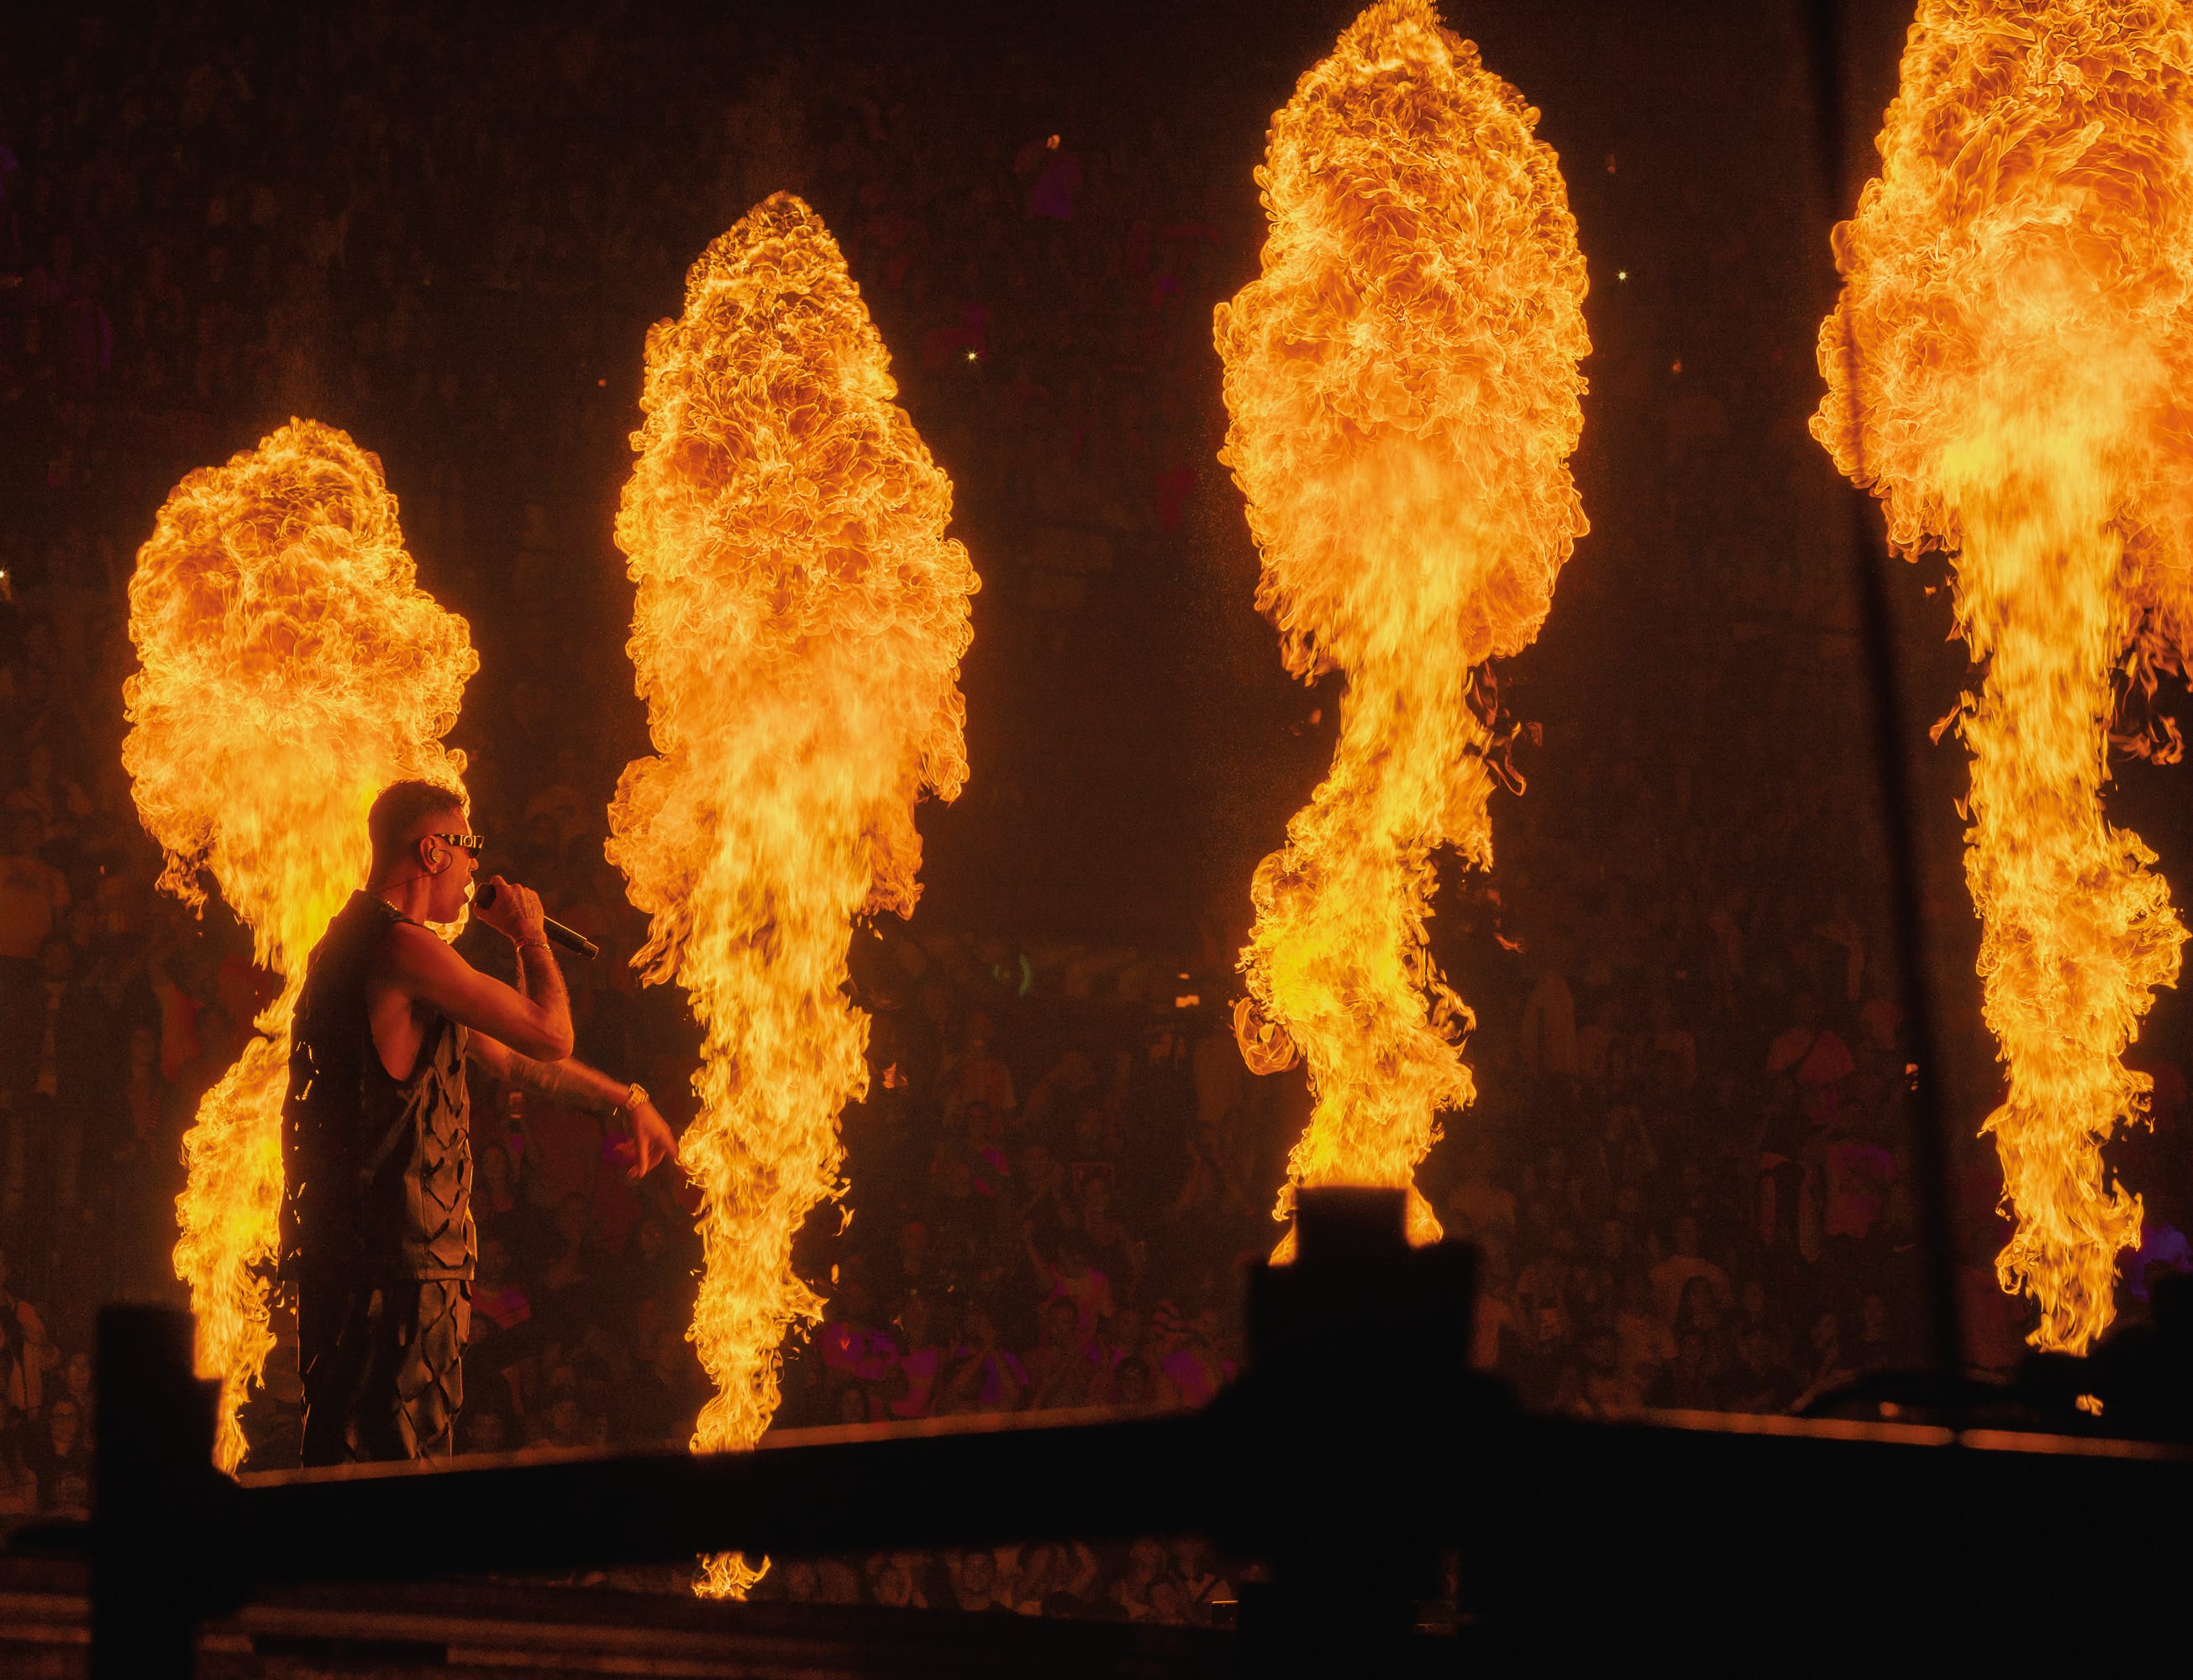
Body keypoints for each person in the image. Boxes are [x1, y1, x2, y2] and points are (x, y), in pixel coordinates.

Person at [281, 780, 677, 1466]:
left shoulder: (361, 943)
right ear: (432, 851)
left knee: (356, 1460)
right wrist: (529, 937)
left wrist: (626, 1098)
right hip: (396, 1265)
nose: (475, 872)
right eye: (468, 849)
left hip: (372, 1260)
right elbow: (551, 1034)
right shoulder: (402, 949)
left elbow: (521, 1062)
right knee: (394, 1470)